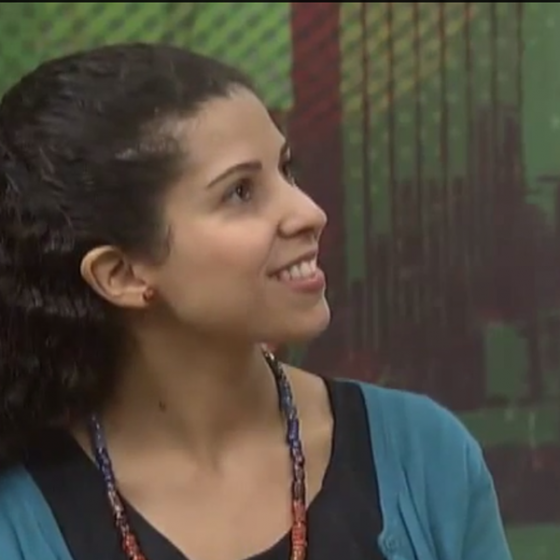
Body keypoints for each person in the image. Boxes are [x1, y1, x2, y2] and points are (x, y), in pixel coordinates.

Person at [0, 43, 512, 560]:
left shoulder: (423, 455)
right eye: (241, 192)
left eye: (286, 169)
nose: (310, 213)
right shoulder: (17, 514)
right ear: (121, 275)